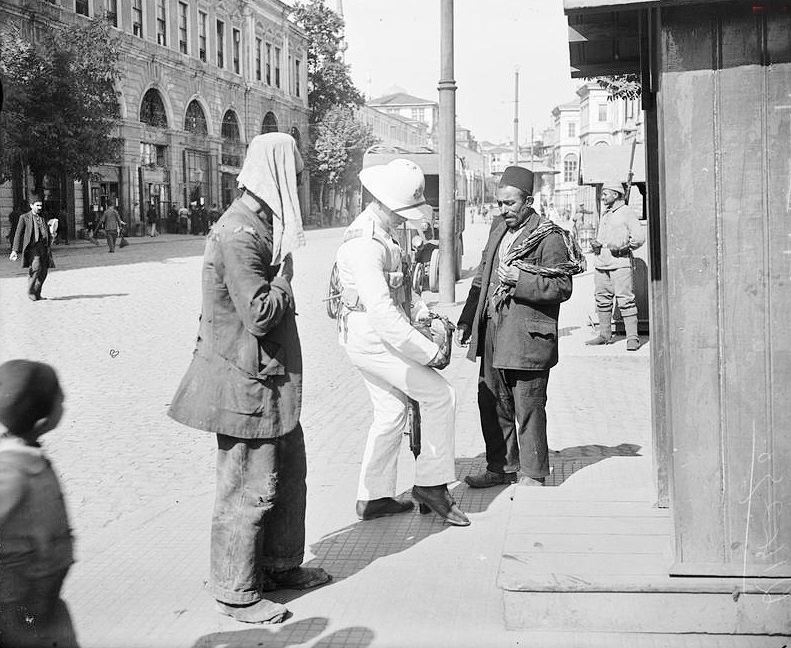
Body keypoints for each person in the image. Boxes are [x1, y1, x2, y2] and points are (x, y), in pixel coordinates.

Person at [168, 133, 330, 625]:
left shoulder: (259, 227)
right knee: (246, 488)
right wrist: (285, 278)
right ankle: (236, 591)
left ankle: (279, 566)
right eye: (295, 176)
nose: (298, 186)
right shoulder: (239, 233)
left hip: (269, 384)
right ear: (276, 175)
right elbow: (259, 313)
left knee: (287, 478)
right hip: (246, 386)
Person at [335, 159, 469, 526]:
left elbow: (404, 290)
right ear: (380, 201)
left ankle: (373, 496)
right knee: (441, 395)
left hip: (368, 334)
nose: (404, 218)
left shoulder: (383, 232)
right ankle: (431, 484)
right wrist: (428, 352)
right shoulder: (366, 244)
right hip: (372, 337)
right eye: (400, 211)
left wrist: (425, 315)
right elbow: (383, 313)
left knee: (392, 412)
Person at [456, 167, 574, 488]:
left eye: (510, 204)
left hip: (527, 337)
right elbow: (482, 277)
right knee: (491, 401)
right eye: (499, 204)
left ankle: (534, 473)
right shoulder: (498, 227)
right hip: (494, 331)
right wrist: (467, 319)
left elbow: (562, 285)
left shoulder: (548, 236)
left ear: (529, 201)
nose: (504, 210)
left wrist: (520, 281)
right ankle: (501, 467)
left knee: (528, 405)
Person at [0, 360, 78, 648]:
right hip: (17, 607)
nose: (65, 402)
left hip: (45, 603)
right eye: (61, 398)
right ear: (42, 422)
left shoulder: (26, 460)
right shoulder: (12, 474)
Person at [585, 180, 646, 351]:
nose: (602, 197)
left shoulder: (626, 212)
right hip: (601, 263)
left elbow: (639, 238)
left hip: (620, 264)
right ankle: (605, 335)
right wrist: (597, 244)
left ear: (616, 194)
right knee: (602, 299)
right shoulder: (606, 213)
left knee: (625, 300)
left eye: (605, 194)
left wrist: (624, 247)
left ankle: (632, 338)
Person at [9, 194, 54, 301]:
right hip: (33, 248)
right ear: (31, 205)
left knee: (44, 271)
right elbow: (18, 234)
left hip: (44, 247)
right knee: (36, 267)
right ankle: (30, 291)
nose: (40, 208)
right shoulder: (24, 217)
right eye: (37, 205)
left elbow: (47, 231)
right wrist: (14, 250)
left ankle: (37, 293)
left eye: (41, 206)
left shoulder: (43, 217)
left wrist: (52, 232)